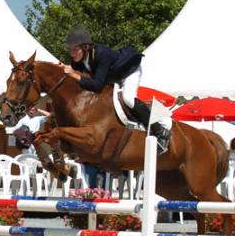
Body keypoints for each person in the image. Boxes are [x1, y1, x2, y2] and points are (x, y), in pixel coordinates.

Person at [61, 26, 171, 155]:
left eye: (75, 49)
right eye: (70, 50)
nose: (72, 53)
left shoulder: (102, 54)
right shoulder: (78, 60)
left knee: (128, 99)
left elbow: (97, 85)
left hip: (129, 72)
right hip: (112, 77)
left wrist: (74, 75)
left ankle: (160, 130)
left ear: (85, 47)